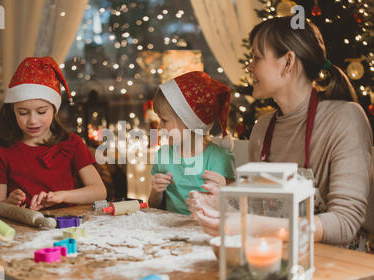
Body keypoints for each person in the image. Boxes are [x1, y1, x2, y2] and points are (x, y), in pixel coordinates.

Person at [187, 17, 373, 248]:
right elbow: (267, 208)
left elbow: (345, 223)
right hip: (284, 251)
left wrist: (250, 224)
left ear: (288, 62)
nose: (249, 67)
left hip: (343, 264)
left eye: (256, 57)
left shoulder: (345, 118)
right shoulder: (263, 129)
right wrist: (225, 201)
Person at [0, 57, 106, 210]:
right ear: (12, 111)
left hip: (68, 227)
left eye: (41, 112)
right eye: (23, 113)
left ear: (54, 109)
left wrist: (62, 196)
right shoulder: (2, 151)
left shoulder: (71, 143)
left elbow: (99, 191)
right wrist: (7, 203)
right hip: (24, 230)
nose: (33, 121)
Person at [149, 71, 236, 215]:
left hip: (204, 229)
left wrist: (225, 189)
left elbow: (233, 207)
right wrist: (156, 192)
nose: (159, 127)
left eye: (164, 120)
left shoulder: (219, 158)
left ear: (189, 123)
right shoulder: (163, 155)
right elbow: (155, 208)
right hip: (169, 229)